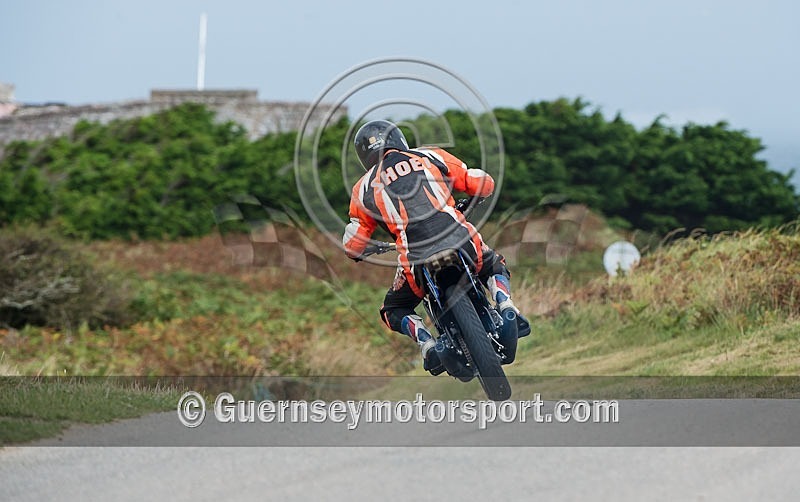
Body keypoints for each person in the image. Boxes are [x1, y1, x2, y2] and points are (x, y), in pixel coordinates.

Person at [342, 120, 529, 374]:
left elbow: (353, 244)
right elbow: (480, 182)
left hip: (415, 257)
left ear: (364, 156)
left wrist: (366, 249)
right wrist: (479, 192)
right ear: (398, 140)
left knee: (393, 308)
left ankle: (427, 344)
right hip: (460, 238)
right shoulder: (430, 155)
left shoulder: (362, 189)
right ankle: (506, 305)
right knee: (493, 264)